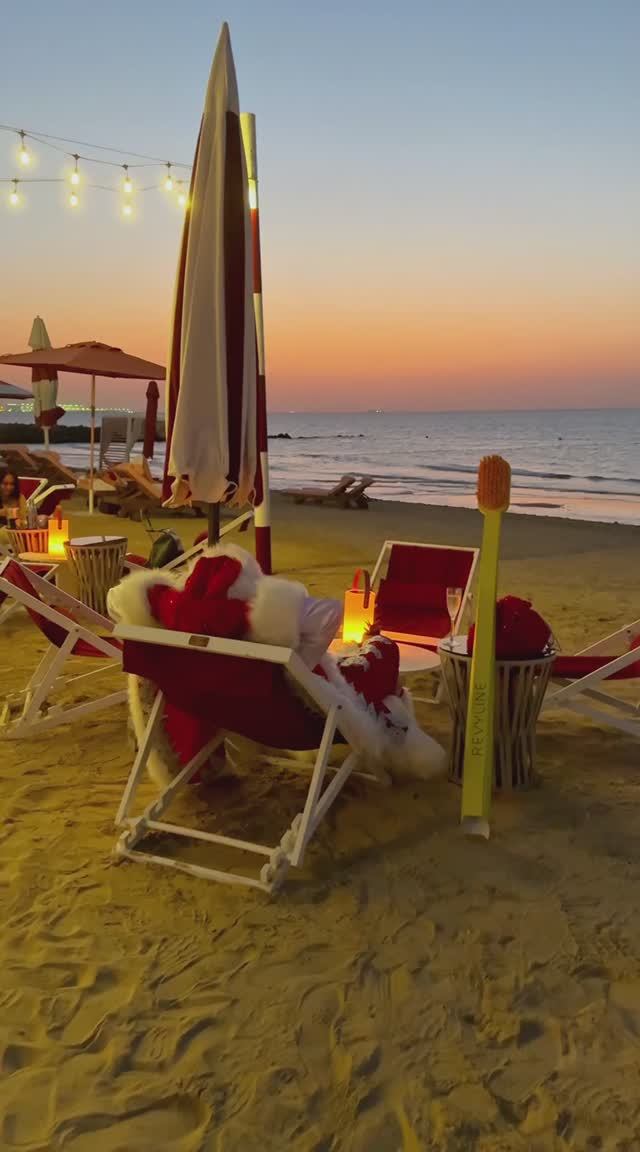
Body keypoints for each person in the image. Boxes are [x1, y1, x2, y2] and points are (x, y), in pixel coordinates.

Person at [0, 469, 28, 548]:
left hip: (13, 533)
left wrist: (19, 518)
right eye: (5, 484)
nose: (9, 487)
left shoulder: (19, 498)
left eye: (12, 484)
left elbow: (24, 519)